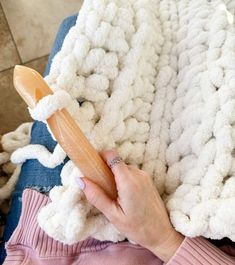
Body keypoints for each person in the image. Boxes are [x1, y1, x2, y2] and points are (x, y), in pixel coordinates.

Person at [1, 14, 235, 265]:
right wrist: (164, 239)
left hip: (58, 220)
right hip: (185, 237)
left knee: (76, 24)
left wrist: (161, 238)